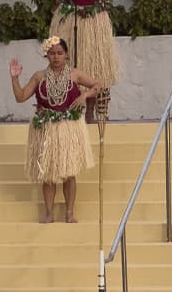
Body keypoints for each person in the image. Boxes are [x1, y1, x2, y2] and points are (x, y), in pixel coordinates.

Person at [25, 0, 131, 131]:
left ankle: (89, 113)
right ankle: (65, 109)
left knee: (92, 64)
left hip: (93, 19)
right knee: (68, 63)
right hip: (68, 17)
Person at [9, 37, 103, 224]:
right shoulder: (39, 76)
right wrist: (14, 78)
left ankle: (69, 213)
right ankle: (49, 213)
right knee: (48, 172)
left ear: (66, 54)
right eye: (52, 53)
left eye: (60, 53)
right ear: (47, 55)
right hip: (46, 128)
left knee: (69, 171)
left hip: (69, 126)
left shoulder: (74, 74)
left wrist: (85, 95)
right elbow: (20, 97)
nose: (56, 57)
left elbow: (98, 85)